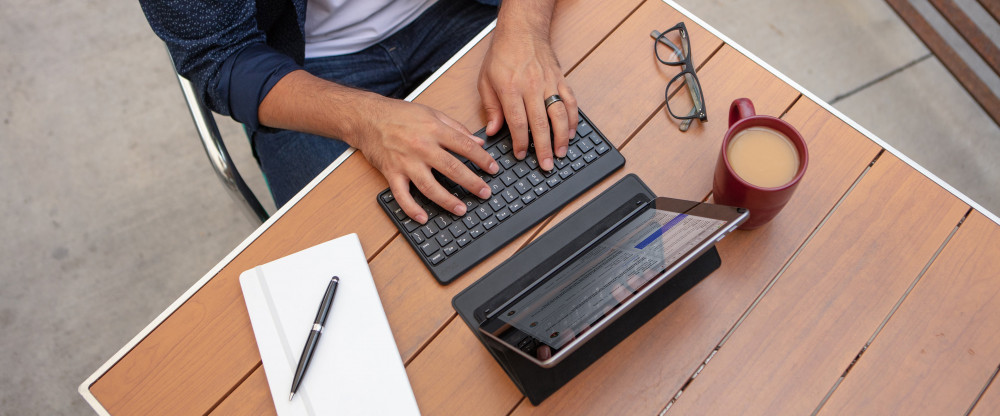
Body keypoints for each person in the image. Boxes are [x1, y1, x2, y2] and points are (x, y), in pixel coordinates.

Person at [140, 0, 579, 224]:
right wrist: (367, 120)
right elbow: (220, 57)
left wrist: (525, 28)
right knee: (387, 281)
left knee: (583, 160)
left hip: (468, 9)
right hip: (303, 66)